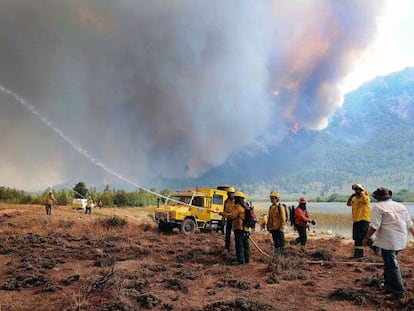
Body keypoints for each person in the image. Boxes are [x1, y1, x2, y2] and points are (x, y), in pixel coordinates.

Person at [363, 187, 414, 299]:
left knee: (391, 265)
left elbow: (375, 226)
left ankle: (398, 292)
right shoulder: (401, 206)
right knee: (388, 262)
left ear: (377, 197)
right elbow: (409, 224)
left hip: (388, 241)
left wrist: (366, 237)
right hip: (401, 240)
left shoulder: (378, 207)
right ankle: (388, 285)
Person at [220, 191, 250, 265]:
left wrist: (222, 214)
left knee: (239, 244)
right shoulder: (245, 206)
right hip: (245, 229)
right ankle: (246, 259)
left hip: (239, 228)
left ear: (237, 199)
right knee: (245, 244)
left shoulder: (238, 207)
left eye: (235, 198)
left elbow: (232, 216)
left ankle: (240, 260)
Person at [346, 183, 373, 258]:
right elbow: (348, 204)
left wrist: (363, 193)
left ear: (361, 190)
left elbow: (365, 200)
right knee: (356, 238)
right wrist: (351, 196)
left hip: (364, 220)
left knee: (364, 237)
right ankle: (358, 255)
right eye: (355, 190)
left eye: (358, 189)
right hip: (356, 221)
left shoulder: (366, 198)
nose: (356, 191)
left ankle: (377, 249)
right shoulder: (355, 200)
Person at [222, 186, 236, 254]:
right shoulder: (226, 201)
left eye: (232, 193)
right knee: (227, 234)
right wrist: (223, 219)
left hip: (235, 220)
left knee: (237, 235)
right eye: (230, 193)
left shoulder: (236, 201)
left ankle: (236, 249)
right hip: (228, 219)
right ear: (228, 194)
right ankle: (226, 248)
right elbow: (224, 210)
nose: (231, 195)